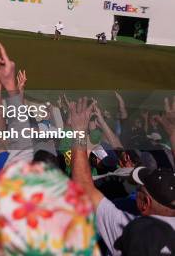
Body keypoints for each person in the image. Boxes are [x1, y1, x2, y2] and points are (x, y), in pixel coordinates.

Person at [69, 97, 175, 256]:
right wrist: (172, 132)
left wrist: (78, 131)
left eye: (140, 188)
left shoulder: (131, 230)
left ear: (145, 203)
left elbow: (83, 189)